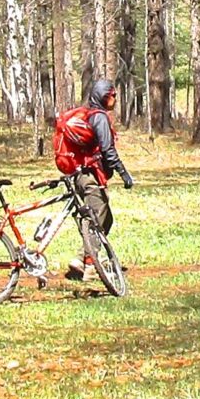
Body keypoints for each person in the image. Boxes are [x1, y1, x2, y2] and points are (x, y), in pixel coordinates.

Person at [53, 77, 133, 282]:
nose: (115, 99)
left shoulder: (90, 115)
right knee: (98, 217)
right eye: (112, 95)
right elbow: (108, 150)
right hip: (89, 175)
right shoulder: (99, 117)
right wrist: (124, 174)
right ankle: (89, 265)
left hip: (78, 174)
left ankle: (82, 258)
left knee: (105, 218)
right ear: (103, 96)